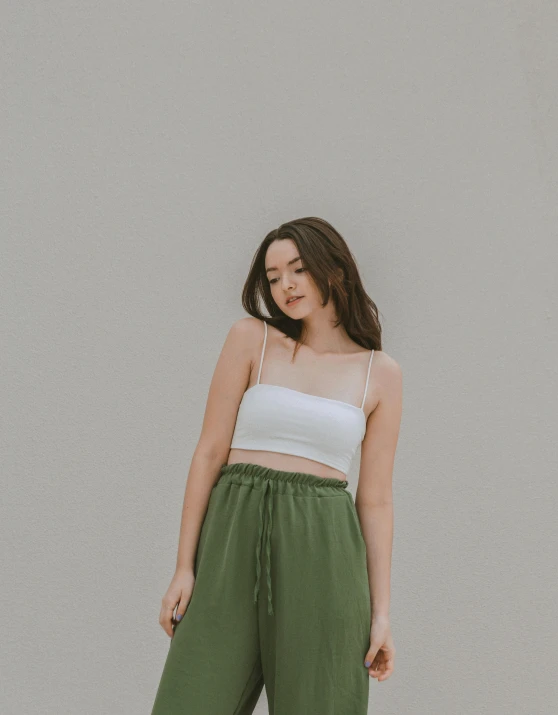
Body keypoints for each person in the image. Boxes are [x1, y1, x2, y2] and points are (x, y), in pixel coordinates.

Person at [150, 216, 402, 714]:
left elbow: (374, 499)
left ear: (335, 271)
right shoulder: (251, 340)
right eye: (272, 276)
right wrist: (184, 567)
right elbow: (208, 453)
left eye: (298, 269)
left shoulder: (381, 373)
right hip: (231, 537)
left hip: (324, 549)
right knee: (191, 699)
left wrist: (381, 613)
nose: (284, 285)